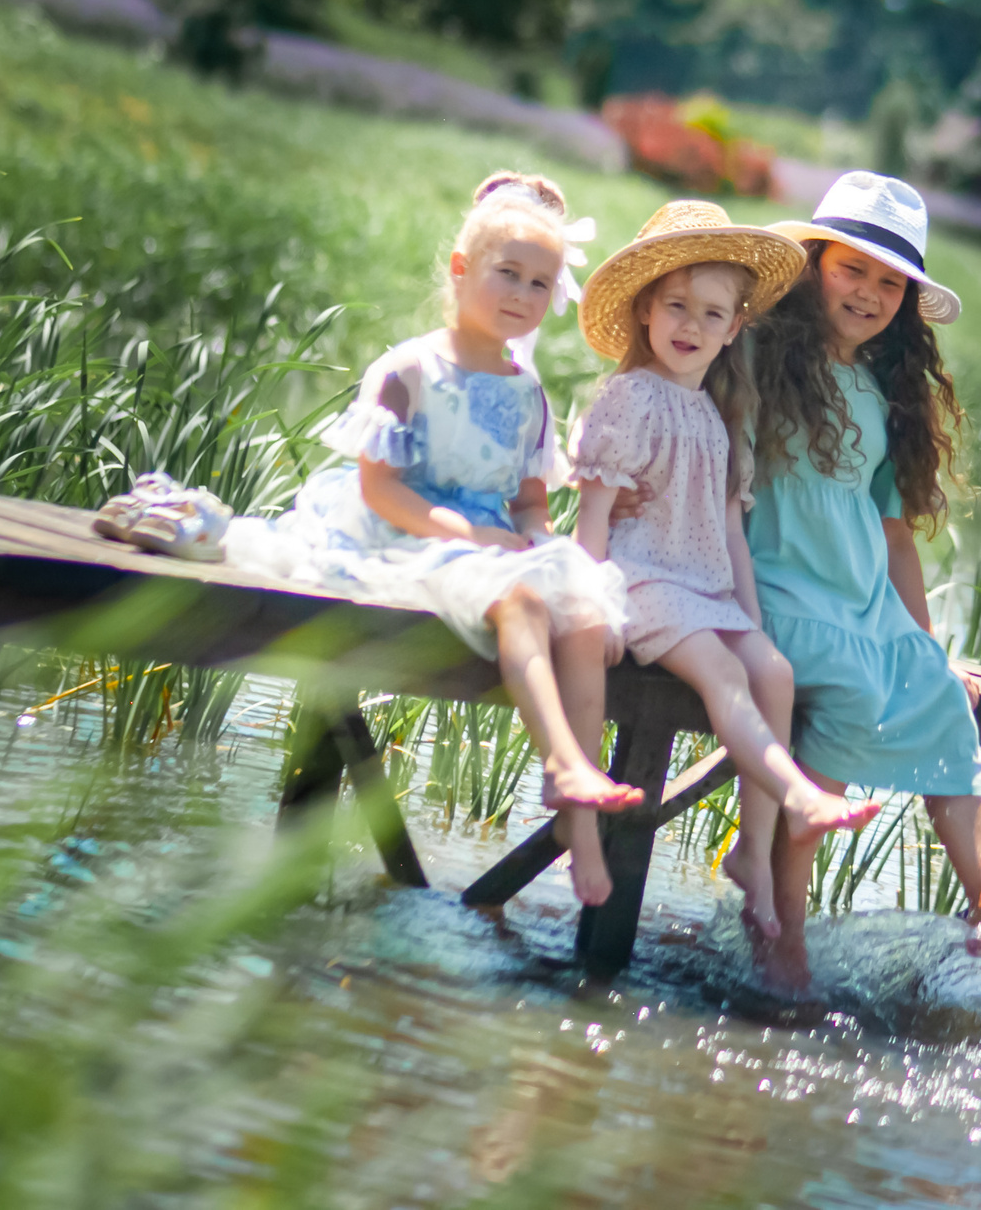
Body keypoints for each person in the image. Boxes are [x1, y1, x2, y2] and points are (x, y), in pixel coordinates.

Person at [113, 171, 645, 903]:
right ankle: (561, 763)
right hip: (403, 529)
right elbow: (379, 487)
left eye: (539, 284)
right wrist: (471, 535)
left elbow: (528, 501)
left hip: (487, 536)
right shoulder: (407, 371)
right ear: (462, 270)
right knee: (519, 602)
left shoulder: (529, 396)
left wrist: (533, 539)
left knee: (583, 615)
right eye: (508, 274)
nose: (522, 294)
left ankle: (577, 825)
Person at [744, 170, 981, 989]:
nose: (868, 292)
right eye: (851, 268)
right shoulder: (755, 357)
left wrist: (925, 644)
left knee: (941, 695)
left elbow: (893, 536)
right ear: (812, 262)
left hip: (858, 599)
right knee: (850, 689)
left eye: (891, 282)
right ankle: (779, 907)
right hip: (774, 587)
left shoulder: (887, 394)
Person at [568, 203, 884, 940]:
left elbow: (732, 534)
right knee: (722, 673)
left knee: (769, 670)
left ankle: (753, 857)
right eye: (675, 306)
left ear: (735, 326)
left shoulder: (714, 413)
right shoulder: (629, 398)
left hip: (704, 589)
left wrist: (751, 619)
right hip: (642, 581)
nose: (690, 325)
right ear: (646, 309)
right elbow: (591, 520)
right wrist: (590, 603)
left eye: (711, 313)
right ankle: (797, 795)